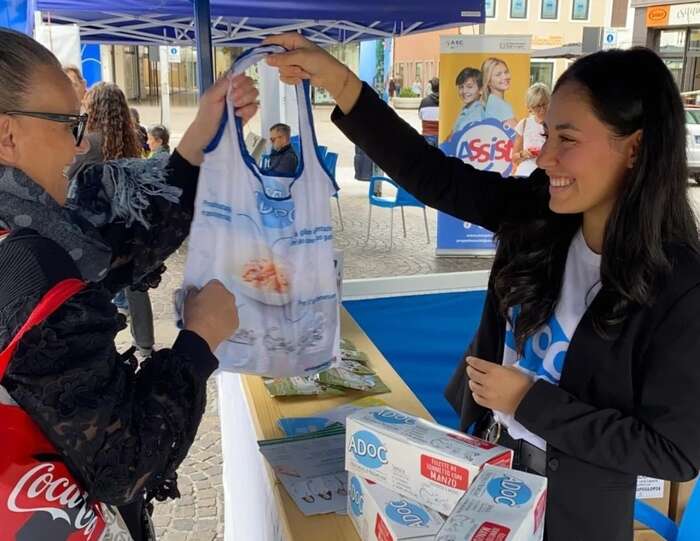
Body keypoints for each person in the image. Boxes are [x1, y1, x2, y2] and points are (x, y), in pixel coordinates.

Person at [265, 33, 700, 541]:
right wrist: (340, 83)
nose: (545, 157)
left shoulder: (679, 286)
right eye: (546, 134)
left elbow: (674, 452)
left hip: (574, 516)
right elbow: (434, 176)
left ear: (635, 148)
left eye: (567, 139)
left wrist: (530, 401)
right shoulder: (541, 213)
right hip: (485, 470)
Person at [0, 28, 257, 540]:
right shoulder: (29, 271)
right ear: (6, 134)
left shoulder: (33, 231)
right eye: (69, 124)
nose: (80, 146)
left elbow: (105, 248)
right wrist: (199, 341)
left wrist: (194, 147)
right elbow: (125, 462)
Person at [70, 82, 160, 358]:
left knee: (97, 293)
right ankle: (145, 346)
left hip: (94, 228)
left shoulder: (86, 141)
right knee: (135, 288)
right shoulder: (129, 140)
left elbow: (67, 174)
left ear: (94, 107)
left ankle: (103, 351)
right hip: (126, 226)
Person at [512, 83, 550, 177]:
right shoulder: (524, 124)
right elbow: (514, 157)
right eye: (537, 106)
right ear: (530, 107)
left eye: (544, 104)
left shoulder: (556, 125)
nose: (542, 109)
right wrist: (523, 154)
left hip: (546, 177)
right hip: (525, 175)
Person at [481, 57, 517, 129]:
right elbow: (518, 136)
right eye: (498, 74)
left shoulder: (491, 101)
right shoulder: (498, 104)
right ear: (488, 81)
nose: (505, 77)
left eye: (506, 72)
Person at [451, 67, 485, 135]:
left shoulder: (477, 113)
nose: (464, 91)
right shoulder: (466, 110)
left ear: (481, 90)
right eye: (461, 87)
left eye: (469, 87)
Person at [418, 77, 440, 146]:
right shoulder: (445, 102)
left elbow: (420, 116)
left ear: (431, 88)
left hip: (427, 135)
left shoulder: (424, 101)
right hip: (441, 134)